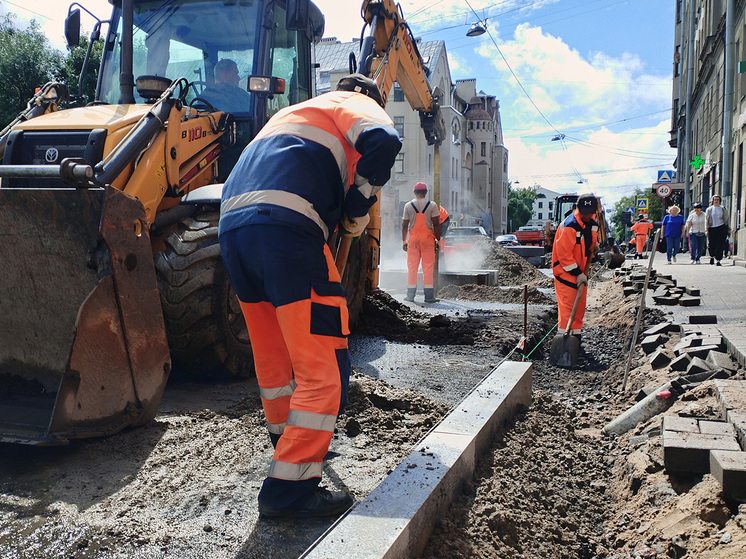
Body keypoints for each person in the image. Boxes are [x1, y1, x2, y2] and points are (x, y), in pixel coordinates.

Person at [218, 74, 401, 518]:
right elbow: (383, 142)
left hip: (234, 229)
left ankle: (290, 449)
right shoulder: (356, 104)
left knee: (275, 360)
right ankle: (290, 491)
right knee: (324, 369)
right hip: (290, 230)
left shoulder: (292, 114)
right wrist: (358, 205)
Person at [551, 192, 599, 345]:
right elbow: (564, 256)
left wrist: (594, 247)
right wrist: (578, 273)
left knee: (578, 310)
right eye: (585, 213)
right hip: (565, 274)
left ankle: (575, 341)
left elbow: (588, 243)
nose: (587, 216)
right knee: (567, 310)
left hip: (581, 272)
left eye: (590, 213)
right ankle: (563, 342)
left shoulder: (592, 223)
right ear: (577, 209)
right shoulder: (569, 226)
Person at [402, 182, 441, 303]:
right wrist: (438, 239)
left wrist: (404, 240)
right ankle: (429, 296)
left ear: (414, 192)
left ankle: (410, 295)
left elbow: (404, 224)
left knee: (412, 267)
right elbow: (436, 224)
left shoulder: (408, 206)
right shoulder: (432, 205)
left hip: (413, 239)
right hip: (428, 239)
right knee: (428, 267)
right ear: (426, 192)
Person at [706, 194, 731, 266]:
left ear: (720, 201)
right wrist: (706, 229)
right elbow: (706, 220)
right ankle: (712, 256)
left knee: (720, 244)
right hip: (712, 228)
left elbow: (727, 219)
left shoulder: (723, 208)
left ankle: (718, 260)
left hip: (722, 228)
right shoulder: (709, 209)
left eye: (718, 200)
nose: (716, 201)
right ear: (712, 201)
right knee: (711, 244)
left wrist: (729, 229)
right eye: (715, 200)